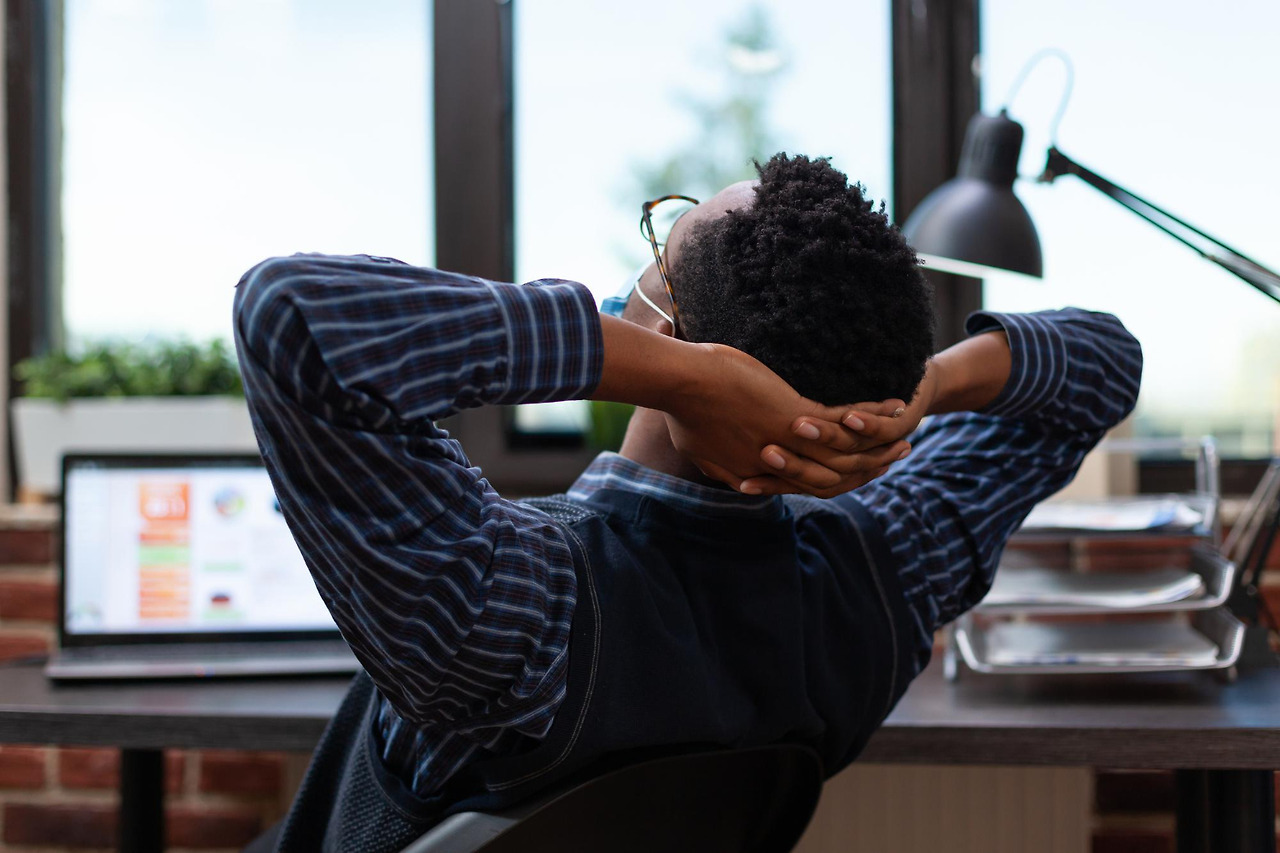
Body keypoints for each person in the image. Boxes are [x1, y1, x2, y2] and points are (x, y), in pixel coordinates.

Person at [233, 153, 1141, 852]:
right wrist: (927, 389)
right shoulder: (886, 578)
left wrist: (680, 375)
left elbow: (293, 317)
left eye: (656, 251)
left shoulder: (513, 614)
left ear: (662, 332)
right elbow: (1106, 362)